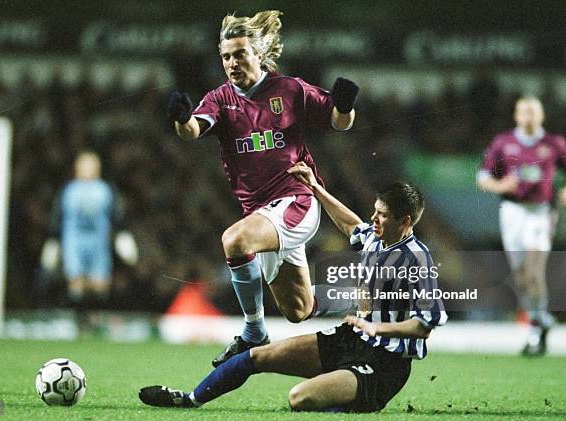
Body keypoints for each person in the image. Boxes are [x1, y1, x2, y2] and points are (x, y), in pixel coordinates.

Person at [139, 166, 447, 413]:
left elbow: (424, 325)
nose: (373, 218)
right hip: (350, 340)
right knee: (259, 356)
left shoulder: (416, 260)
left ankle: (356, 401)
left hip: (385, 364)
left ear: (405, 221)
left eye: (381, 214)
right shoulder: (376, 239)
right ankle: (189, 399)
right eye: (375, 210)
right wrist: (315, 188)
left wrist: (375, 327)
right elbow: (350, 224)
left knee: (300, 398)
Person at [166, 10, 360, 367]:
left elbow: (338, 121)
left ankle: (252, 332)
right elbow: (193, 131)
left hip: (296, 200)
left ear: (258, 52)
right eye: (226, 56)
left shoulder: (290, 89)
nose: (232, 62)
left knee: (235, 241)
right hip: (261, 214)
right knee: (299, 310)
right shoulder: (220, 99)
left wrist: (345, 106)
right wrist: (182, 119)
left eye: (239, 53)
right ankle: (358, 297)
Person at [477, 96, 566, 356]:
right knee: (522, 276)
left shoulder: (553, 143)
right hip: (512, 212)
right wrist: (499, 185)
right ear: (516, 116)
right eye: (523, 111)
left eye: (533, 111)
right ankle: (542, 319)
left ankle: (535, 332)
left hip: (541, 212)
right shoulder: (503, 143)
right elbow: (483, 177)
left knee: (535, 270)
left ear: (541, 116)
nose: (528, 116)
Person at [40, 151, 138, 306]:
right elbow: (57, 216)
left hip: (98, 242)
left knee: (99, 283)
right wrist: (52, 240)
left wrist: (123, 235)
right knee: (76, 280)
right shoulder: (68, 190)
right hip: (74, 242)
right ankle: (77, 317)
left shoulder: (105, 189)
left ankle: (96, 317)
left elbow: (116, 214)